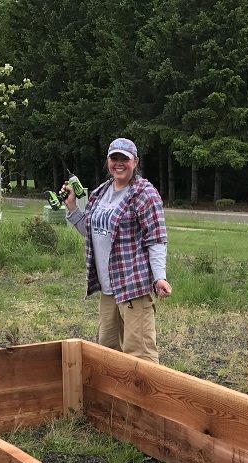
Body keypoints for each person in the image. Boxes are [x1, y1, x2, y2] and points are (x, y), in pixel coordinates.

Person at [63, 137, 172, 364]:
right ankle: (115, 400)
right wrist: (72, 207)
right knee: (108, 351)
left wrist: (159, 277)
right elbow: (92, 231)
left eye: (125, 159)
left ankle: (144, 399)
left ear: (136, 162)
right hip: (108, 289)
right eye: (115, 158)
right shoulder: (100, 193)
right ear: (108, 161)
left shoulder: (145, 194)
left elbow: (156, 239)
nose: (119, 163)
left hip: (133, 286)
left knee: (140, 355)